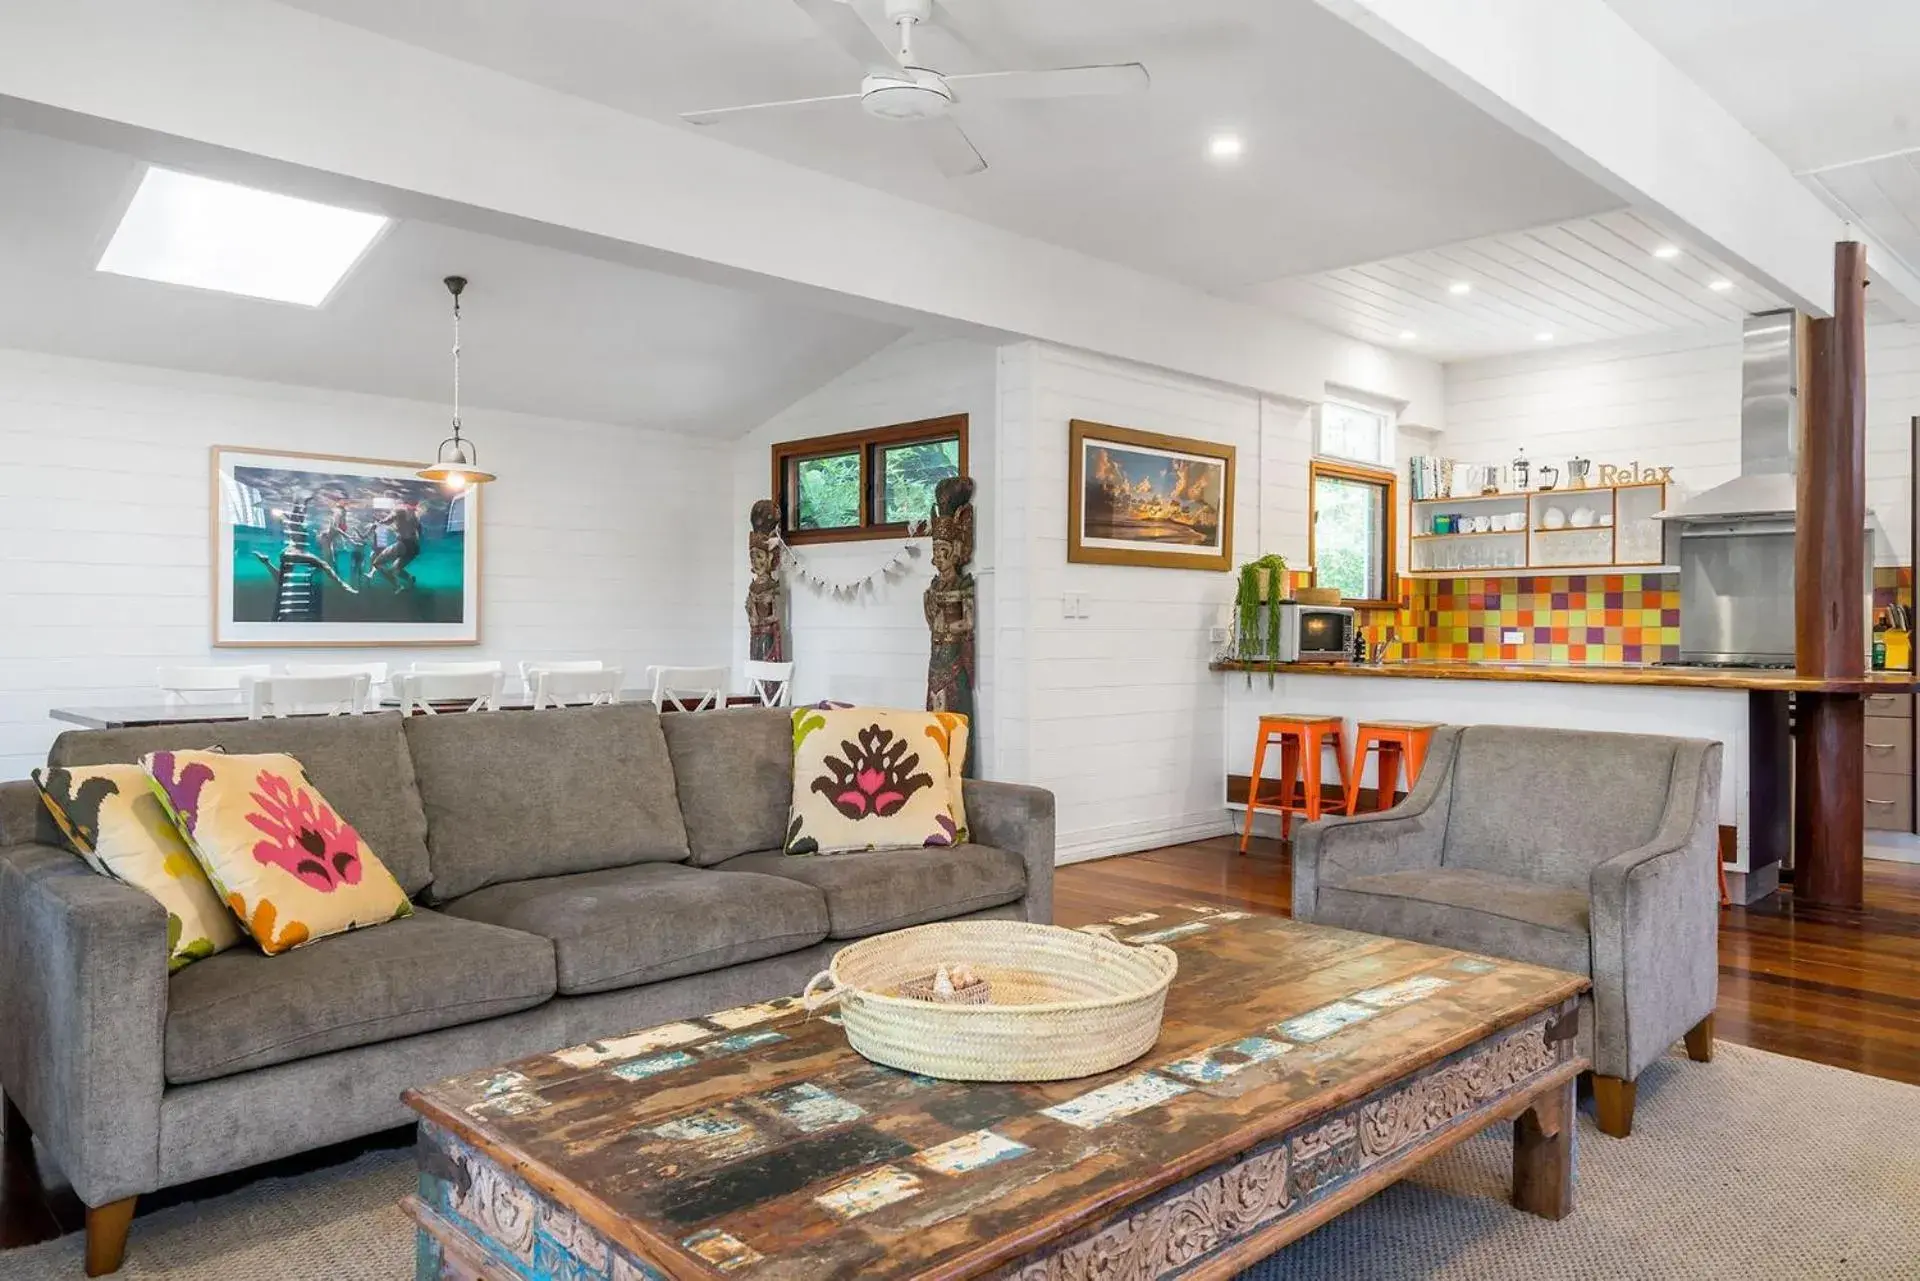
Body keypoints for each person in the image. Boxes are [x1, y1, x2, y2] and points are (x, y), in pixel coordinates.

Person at [369, 501, 423, 591]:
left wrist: (378, 521)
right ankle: (410, 580)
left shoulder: (398, 509)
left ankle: (397, 586)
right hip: (415, 548)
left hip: (404, 544)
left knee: (376, 563)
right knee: (395, 569)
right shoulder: (414, 515)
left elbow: (386, 521)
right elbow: (419, 529)